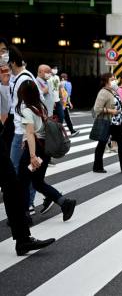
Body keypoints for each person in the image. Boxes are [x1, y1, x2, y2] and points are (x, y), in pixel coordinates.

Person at [0, 37, 56, 256]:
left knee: (12, 184)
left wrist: (4, 85)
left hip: (8, 133)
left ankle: (23, 238)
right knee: (13, 182)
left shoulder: (12, 79)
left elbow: (6, 110)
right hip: (14, 132)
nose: (4, 55)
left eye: (5, 51)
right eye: (2, 51)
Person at [15, 80, 77, 220]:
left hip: (35, 152)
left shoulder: (27, 111)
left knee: (23, 181)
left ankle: (24, 216)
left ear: (23, 94)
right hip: (44, 150)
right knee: (37, 182)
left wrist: (31, 156)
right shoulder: (40, 107)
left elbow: (30, 133)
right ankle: (64, 203)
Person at [7, 47, 40, 212]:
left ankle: (26, 203)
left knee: (17, 169)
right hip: (22, 130)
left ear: (13, 62)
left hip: (22, 131)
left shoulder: (23, 79)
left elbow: (25, 107)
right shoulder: (22, 77)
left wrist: (25, 136)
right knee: (25, 169)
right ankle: (28, 202)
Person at [92, 73, 122, 174]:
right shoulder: (103, 92)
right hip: (108, 121)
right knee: (102, 143)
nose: (114, 81)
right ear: (105, 81)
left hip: (117, 122)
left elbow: (121, 102)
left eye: (114, 79)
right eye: (112, 79)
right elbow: (97, 109)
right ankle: (97, 166)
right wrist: (111, 111)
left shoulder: (113, 91)